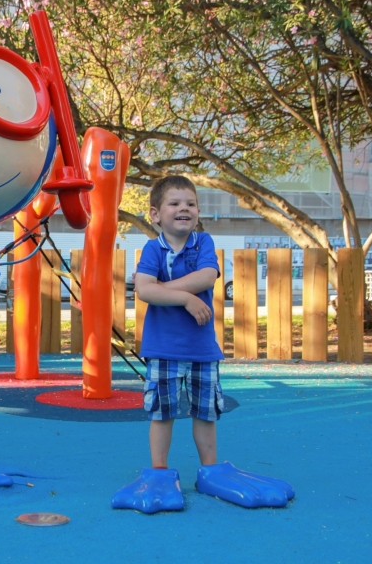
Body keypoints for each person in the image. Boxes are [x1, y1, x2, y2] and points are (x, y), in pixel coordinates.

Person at [112, 175, 294, 513]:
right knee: (161, 412)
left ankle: (209, 470)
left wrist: (162, 288)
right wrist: (184, 298)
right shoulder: (154, 248)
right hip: (163, 350)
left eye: (190, 203)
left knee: (206, 411)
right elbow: (143, 291)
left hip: (200, 350)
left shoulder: (202, 243)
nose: (184, 208)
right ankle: (160, 473)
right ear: (155, 214)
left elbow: (206, 277)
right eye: (175, 203)